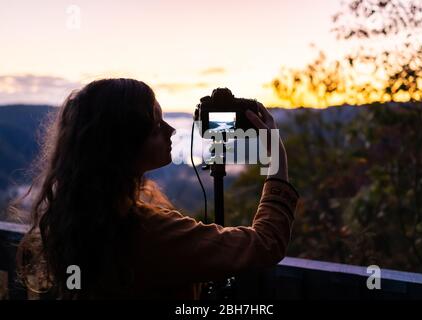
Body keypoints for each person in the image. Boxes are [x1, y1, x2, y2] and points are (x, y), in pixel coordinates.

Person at [15, 78, 299, 299]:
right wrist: (276, 157)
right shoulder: (150, 232)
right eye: (155, 125)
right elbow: (266, 244)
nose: (171, 130)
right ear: (124, 145)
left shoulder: (78, 220)